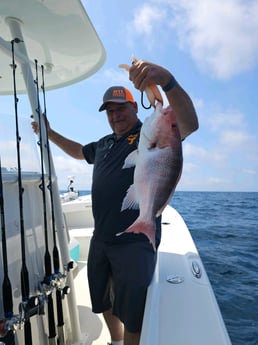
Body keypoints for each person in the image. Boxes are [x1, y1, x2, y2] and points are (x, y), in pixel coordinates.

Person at [31, 59, 198, 345]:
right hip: (102, 237)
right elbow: (78, 151)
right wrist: (48, 133)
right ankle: (116, 341)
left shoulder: (148, 136)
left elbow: (187, 123)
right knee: (101, 298)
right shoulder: (105, 143)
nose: (115, 114)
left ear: (136, 107)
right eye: (109, 110)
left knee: (133, 311)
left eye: (121, 107)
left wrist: (165, 81)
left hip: (135, 242)